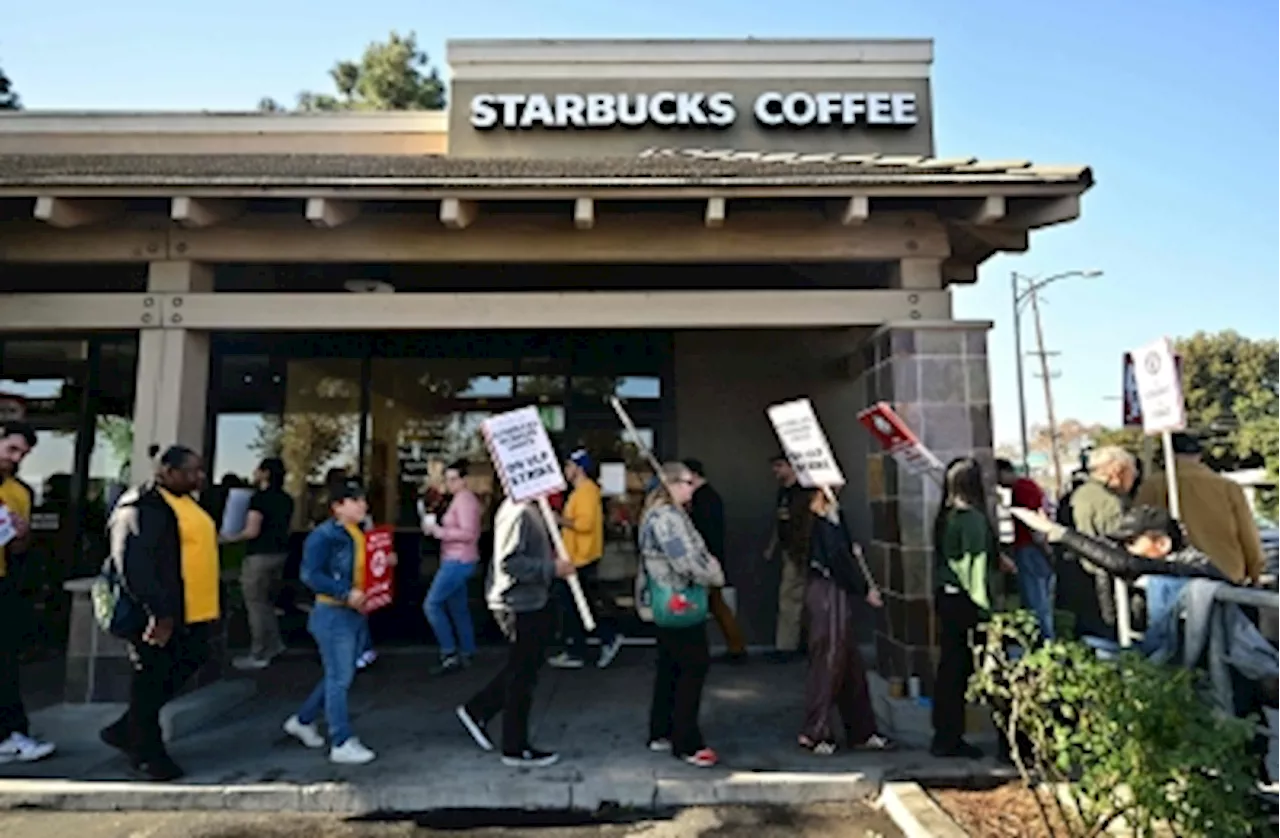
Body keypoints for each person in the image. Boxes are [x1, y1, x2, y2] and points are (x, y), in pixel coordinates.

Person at [99, 446, 220, 780]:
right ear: (166, 470)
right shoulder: (141, 507)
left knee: (191, 659)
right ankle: (148, 753)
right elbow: (133, 563)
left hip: (190, 612)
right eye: (192, 471)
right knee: (149, 680)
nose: (200, 477)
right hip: (158, 615)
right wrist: (158, 612)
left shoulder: (183, 502)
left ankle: (127, 728)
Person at [456, 495, 573, 768]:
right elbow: (510, 562)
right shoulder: (519, 512)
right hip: (518, 603)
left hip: (530, 600)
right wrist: (551, 568)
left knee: (524, 666)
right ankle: (514, 746)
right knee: (523, 675)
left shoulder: (530, 509)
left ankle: (479, 710)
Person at [283, 479, 388, 765]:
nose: (363, 505)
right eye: (356, 501)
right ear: (338, 507)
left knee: (339, 675)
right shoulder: (323, 536)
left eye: (363, 500)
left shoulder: (359, 532)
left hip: (353, 612)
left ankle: (304, 720)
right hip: (333, 614)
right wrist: (344, 592)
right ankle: (341, 739)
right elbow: (311, 575)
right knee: (340, 677)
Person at [638, 462, 725, 768]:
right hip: (679, 600)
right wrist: (714, 572)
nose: (692, 487)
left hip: (664, 602)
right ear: (672, 485)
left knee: (670, 668)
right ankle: (686, 740)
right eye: (686, 482)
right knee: (693, 667)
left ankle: (661, 729)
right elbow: (685, 561)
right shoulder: (668, 519)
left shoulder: (656, 515)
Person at [799, 489, 893, 755]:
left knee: (848, 663)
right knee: (829, 660)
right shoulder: (820, 521)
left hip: (830, 592)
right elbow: (838, 558)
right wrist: (863, 589)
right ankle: (816, 731)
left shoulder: (831, 518)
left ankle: (861, 730)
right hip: (829, 592)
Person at [931, 457, 1013, 759]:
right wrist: (989, 614)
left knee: (950, 670)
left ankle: (945, 736)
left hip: (947, 598)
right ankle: (1008, 743)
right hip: (969, 603)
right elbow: (975, 572)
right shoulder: (974, 520)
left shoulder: (946, 516)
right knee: (987, 670)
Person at [1136, 433, 1265, 585]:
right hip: (1227, 573)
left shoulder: (1152, 487)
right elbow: (1247, 535)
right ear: (1199, 456)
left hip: (1174, 577)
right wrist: (1255, 572)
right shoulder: (1228, 487)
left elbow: (1140, 533)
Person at [0, 422, 55, 764]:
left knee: (5, 662)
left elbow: (19, 548)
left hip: (4, 581)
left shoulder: (19, 492)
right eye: (11, 450)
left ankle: (9, 732)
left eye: (22, 454)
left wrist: (22, 536)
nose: (16, 459)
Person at [550, 450, 625, 670]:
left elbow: (585, 525)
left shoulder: (587, 492)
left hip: (581, 558)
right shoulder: (580, 492)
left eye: (568, 466)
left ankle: (604, 638)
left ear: (579, 468)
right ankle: (579, 648)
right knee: (576, 605)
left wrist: (560, 520)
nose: (565, 471)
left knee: (579, 606)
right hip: (574, 556)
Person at [1057, 446, 1138, 642]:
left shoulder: (1075, 493)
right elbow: (1119, 543)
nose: (1134, 476)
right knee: (1109, 639)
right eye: (1131, 470)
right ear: (1117, 470)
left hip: (1074, 575)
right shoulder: (1108, 501)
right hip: (1103, 581)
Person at [223, 457, 294, 671]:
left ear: (265, 473)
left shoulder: (259, 499)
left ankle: (260, 652)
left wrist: (226, 538)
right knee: (267, 603)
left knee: (255, 604)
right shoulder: (286, 499)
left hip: (259, 555)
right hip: (280, 554)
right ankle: (275, 644)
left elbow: (252, 531)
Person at [422, 459, 482, 676]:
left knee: (432, 605)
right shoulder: (460, 499)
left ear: (465, 480)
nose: (450, 483)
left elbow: (469, 534)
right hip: (457, 559)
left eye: (454, 479)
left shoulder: (464, 501)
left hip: (457, 560)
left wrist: (439, 532)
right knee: (458, 608)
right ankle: (467, 650)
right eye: (447, 479)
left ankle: (449, 652)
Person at [684, 459, 747, 664]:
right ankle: (735, 646)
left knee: (710, 605)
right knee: (716, 605)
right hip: (710, 559)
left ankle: (734, 647)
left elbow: (704, 531)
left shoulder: (704, 499)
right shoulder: (709, 497)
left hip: (705, 560)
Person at [996, 459, 1055, 640]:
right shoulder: (1027, 486)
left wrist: (1044, 548)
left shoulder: (1021, 489)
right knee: (1038, 597)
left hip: (1029, 547)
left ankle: (1044, 640)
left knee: (1035, 599)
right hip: (1031, 547)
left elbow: (1034, 521)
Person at [763, 455, 813, 663]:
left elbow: (807, 525)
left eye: (779, 466)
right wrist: (772, 546)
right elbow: (779, 522)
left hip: (801, 551)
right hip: (791, 550)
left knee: (791, 598)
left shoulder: (805, 493)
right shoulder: (784, 492)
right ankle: (792, 643)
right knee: (793, 598)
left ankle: (788, 645)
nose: (776, 471)